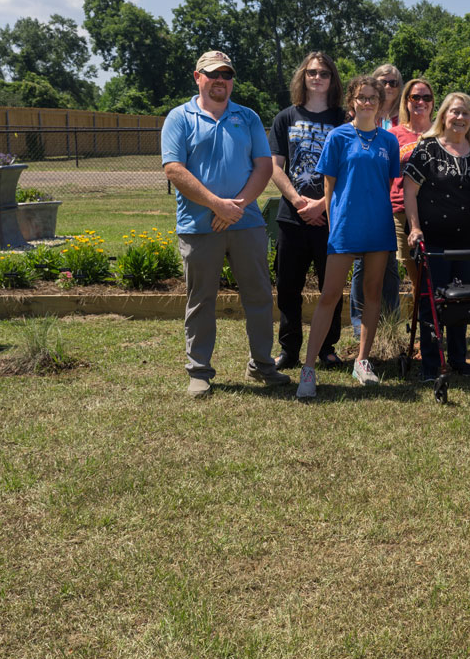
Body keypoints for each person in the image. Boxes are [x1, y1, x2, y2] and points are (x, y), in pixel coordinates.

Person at [161, 50, 289, 397]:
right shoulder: (179, 118)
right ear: (197, 77)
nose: (221, 80)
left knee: (260, 295)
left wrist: (237, 206)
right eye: (213, 74)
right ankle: (199, 371)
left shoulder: (247, 117)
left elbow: (263, 166)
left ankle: (262, 364)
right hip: (199, 225)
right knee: (201, 299)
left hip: (245, 223)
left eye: (227, 74)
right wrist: (217, 205)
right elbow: (174, 169)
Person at [296, 75, 399, 399]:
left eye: (373, 97)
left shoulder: (388, 141)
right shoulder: (338, 137)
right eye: (361, 97)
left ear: (380, 103)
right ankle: (309, 368)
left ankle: (362, 361)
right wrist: (334, 220)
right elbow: (329, 186)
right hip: (345, 228)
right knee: (329, 296)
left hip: (378, 227)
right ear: (352, 101)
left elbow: (386, 184)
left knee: (371, 293)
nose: (367, 102)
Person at [404, 92, 470, 382]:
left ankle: (459, 360)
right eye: (455, 112)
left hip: (466, 243)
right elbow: (409, 190)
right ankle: (431, 365)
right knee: (433, 302)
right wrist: (414, 227)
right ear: (444, 115)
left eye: (466, 114)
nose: (460, 118)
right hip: (433, 243)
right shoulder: (427, 150)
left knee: (462, 301)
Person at [267, 51, 345, 371]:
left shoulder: (343, 120)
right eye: (312, 72)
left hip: (329, 218)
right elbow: (274, 167)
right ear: (303, 76)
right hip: (292, 217)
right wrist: (299, 202)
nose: (317, 78)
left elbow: (348, 171)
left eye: (324, 73)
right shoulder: (285, 118)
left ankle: (327, 349)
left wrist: (322, 204)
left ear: (332, 80)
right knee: (288, 287)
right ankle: (289, 350)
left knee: (332, 287)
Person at [349, 62, 404, 337]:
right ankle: (360, 324)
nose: (388, 86)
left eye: (394, 82)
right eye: (383, 81)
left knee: (391, 268)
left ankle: (391, 322)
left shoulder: (402, 118)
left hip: (396, 199)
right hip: (367, 204)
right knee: (362, 264)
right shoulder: (364, 115)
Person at [389, 78, 435, 317]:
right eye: (415, 97)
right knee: (415, 274)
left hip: (435, 210)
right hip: (400, 210)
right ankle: (422, 332)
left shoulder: (440, 133)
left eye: (426, 97)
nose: (420, 102)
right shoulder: (393, 135)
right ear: (406, 101)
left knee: (433, 275)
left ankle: (431, 327)